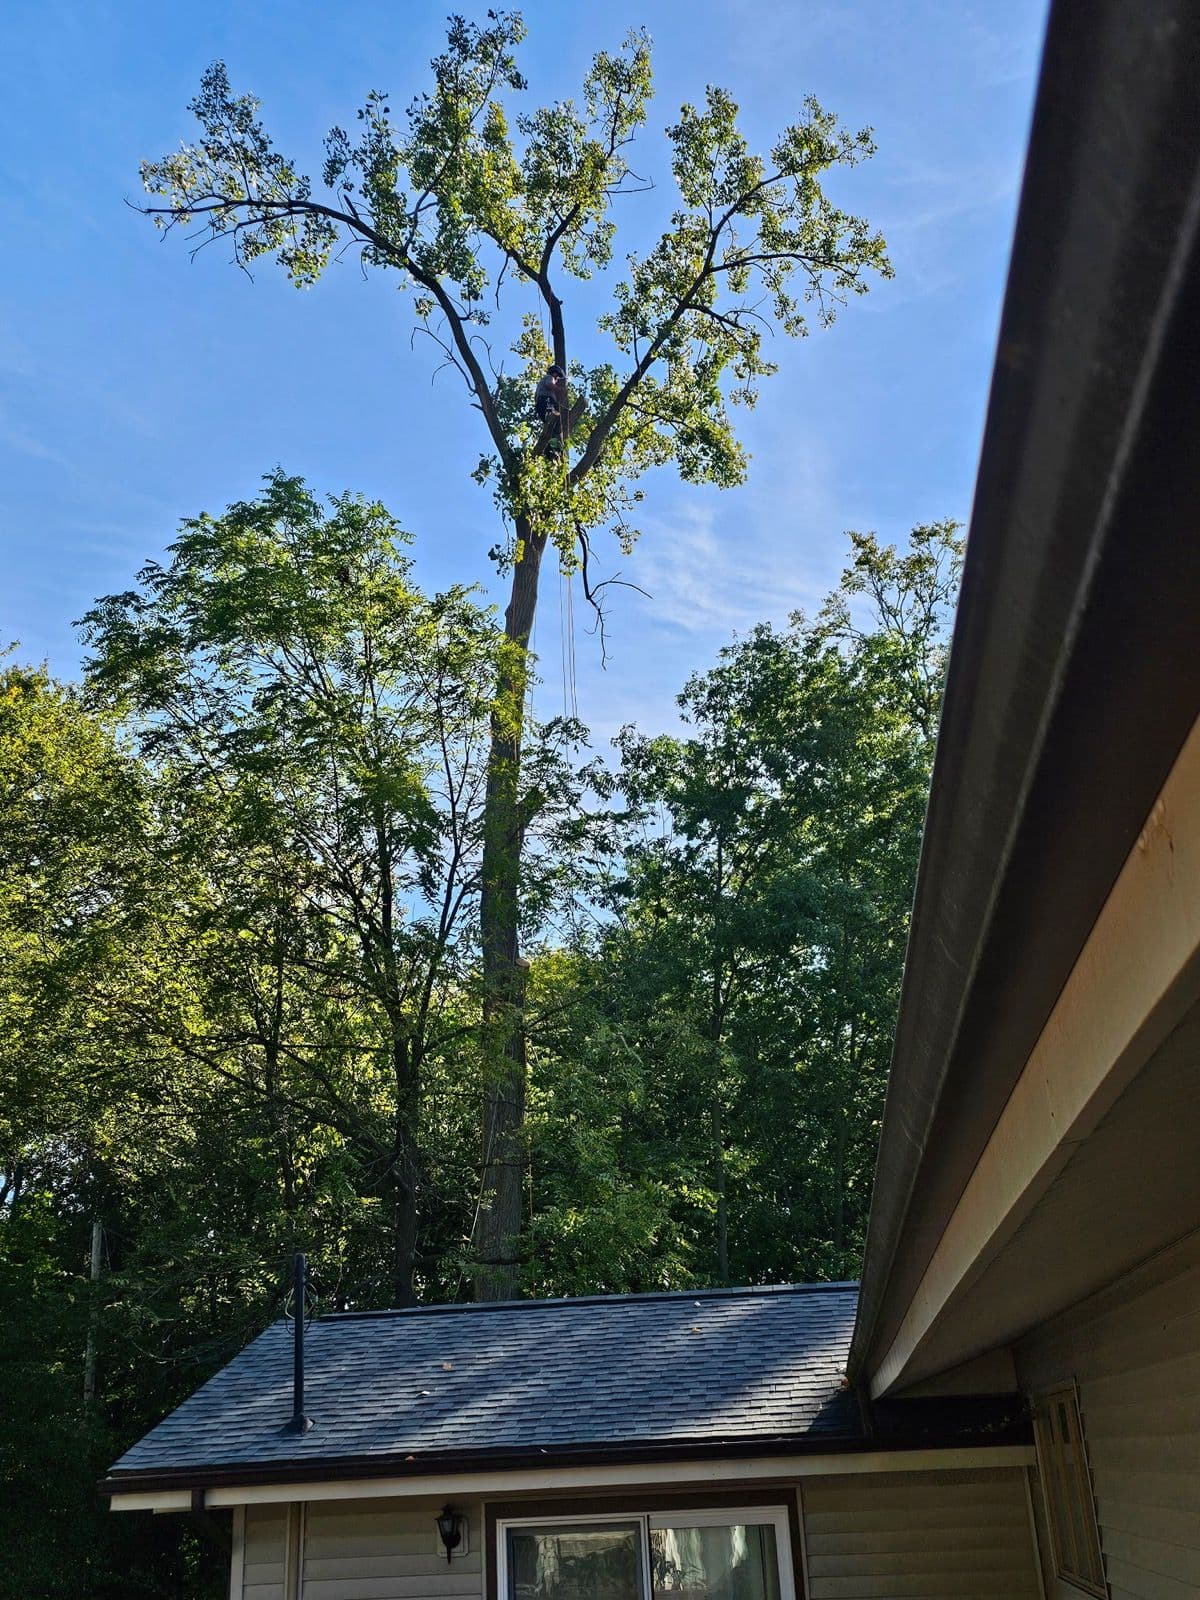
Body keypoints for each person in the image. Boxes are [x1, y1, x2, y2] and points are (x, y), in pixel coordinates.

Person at [534, 363, 567, 428]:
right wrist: (560, 390)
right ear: (554, 373)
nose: (557, 379)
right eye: (557, 376)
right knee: (563, 412)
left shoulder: (541, 383)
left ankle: (552, 429)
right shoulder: (550, 377)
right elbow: (549, 385)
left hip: (540, 405)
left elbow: (535, 397)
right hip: (547, 402)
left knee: (550, 425)